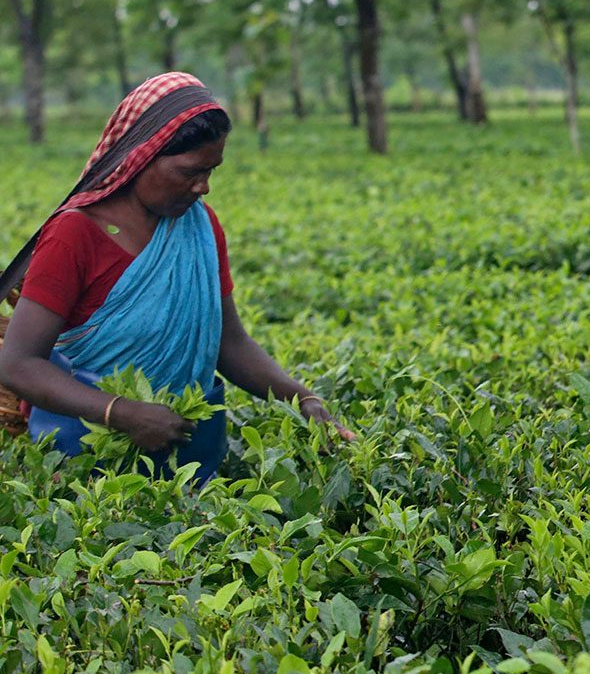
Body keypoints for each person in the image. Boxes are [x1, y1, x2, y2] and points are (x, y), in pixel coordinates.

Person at [0, 72, 353, 484]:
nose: (203, 187)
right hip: (84, 461)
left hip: (190, 454)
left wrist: (303, 399)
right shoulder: (74, 235)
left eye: (211, 171)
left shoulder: (200, 227)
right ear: (140, 156)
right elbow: (18, 363)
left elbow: (229, 342)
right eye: (190, 172)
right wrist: (123, 413)